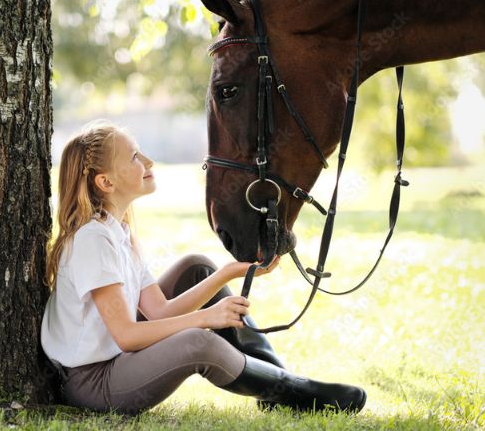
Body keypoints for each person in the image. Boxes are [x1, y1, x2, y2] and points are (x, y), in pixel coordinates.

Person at [40, 120, 366, 415]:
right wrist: (206, 317)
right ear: (106, 182)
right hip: (94, 382)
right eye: (135, 157)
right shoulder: (93, 240)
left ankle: (278, 381)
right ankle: (293, 391)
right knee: (199, 342)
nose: (148, 162)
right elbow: (126, 336)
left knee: (198, 267)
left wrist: (229, 271)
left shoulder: (119, 231)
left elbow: (159, 312)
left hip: (116, 365)